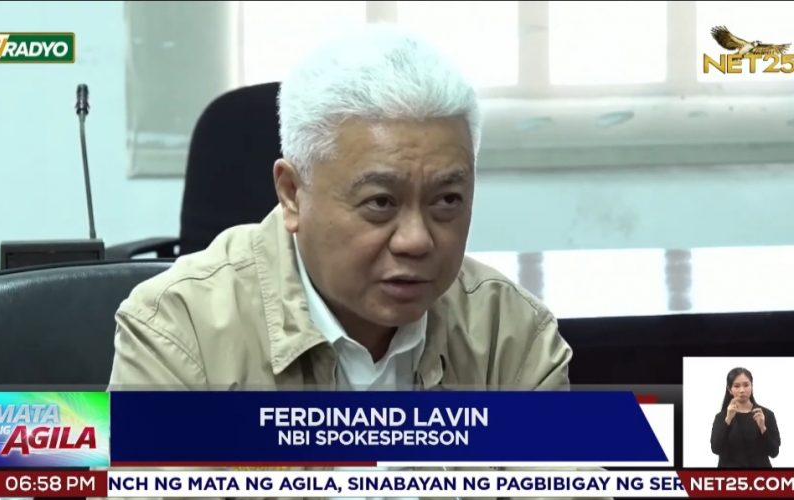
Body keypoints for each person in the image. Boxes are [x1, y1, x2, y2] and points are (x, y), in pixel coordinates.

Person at [108, 24, 572, 393]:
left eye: (447, 200)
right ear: (292, 193)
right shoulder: (176, 331)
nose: (416, 240)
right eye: (381, 203)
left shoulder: (510, 335)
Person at [710, 367, 781, 468]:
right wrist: (728, 420)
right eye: (736, 386)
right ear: (730, 389)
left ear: (752, 386)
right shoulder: (721, 417)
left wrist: (763, 428)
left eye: (746, 385)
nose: (742, 390)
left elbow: (774, 452)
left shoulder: (765, 414)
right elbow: (715, 449)